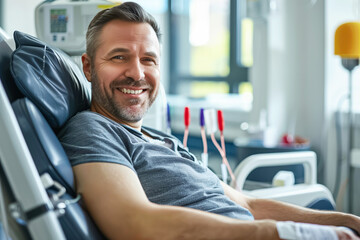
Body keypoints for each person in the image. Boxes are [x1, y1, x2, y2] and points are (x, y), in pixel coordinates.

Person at [58, 2, 360, 239]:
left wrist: (346, 221)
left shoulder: (162, 139)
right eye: (119, 57)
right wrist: (281, 234)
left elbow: (249, 205)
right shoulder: (92, 130)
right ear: (87, 67)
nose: (137, 73)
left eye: (148, 59)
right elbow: (136, 224)